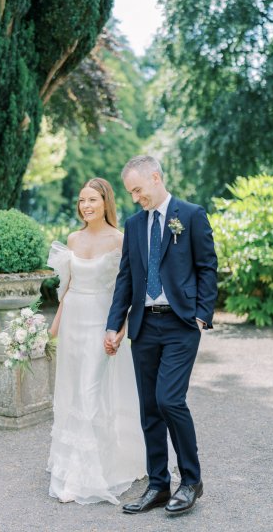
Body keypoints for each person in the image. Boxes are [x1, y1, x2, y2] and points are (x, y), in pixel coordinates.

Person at [105, 155, 217, 517]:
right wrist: (114, 324)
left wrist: (201, 316)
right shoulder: (135, 225)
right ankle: (157, 484)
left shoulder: (191, 215)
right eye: (131, 193)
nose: (136, 197)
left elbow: (207, 267)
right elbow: (126, 277)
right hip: (144, 326)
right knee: (149, 408)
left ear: (155, 178)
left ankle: (190, 480)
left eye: (138, 189)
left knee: (170, 400)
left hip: (181, 323)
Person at [47, 177, 146, 505]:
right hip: (74, 320)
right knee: (74, 392)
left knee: (92, 390)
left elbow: (129, 290)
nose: (85, 206)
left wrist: (119, 330)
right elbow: (68, 287)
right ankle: (73, 464)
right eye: (81, 200)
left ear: (105, 202)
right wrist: (51, 329)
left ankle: (83, 475)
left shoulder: (120, 239)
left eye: (92, 200)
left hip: (102, 322)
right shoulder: (73, 239)